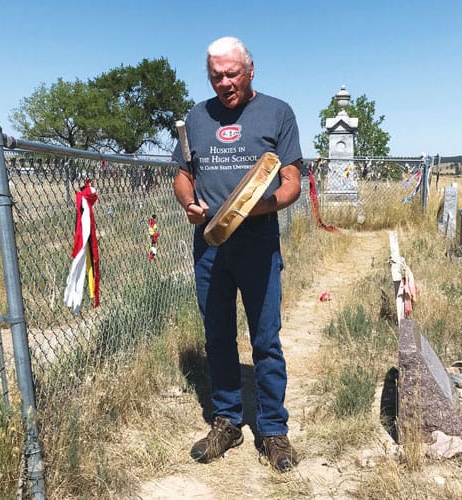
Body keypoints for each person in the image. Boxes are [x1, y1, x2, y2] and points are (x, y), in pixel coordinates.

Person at [172, 36, 302, 472]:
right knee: (218, 336)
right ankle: (227, 420)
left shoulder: (277, 112)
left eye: (231, 74)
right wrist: (188, 203)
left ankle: (272, 430)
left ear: (250, 70)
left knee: (265, 338)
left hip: (258, 241)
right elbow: (182, 175)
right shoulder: (196, 117)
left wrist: (261, 206)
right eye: (216, 76)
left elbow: (291, 181)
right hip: (209, 245)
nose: (224, 83)